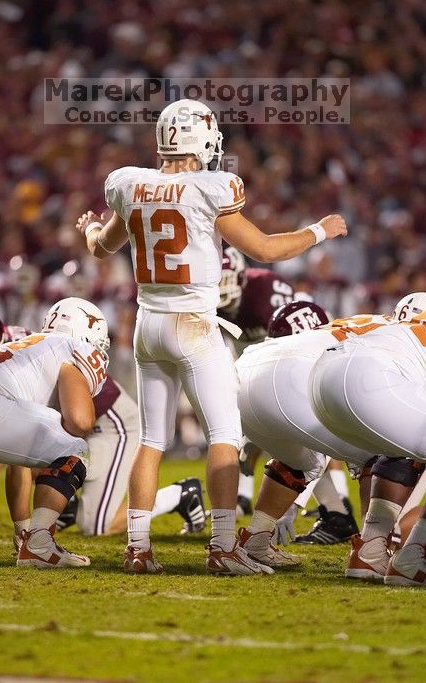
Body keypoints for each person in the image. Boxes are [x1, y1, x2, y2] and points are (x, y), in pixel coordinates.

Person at [76, 98, 347, 575]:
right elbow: (263, 247)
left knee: (152, 440)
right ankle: (224, 547)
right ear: (201, 139)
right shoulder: (209, 187)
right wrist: (318, 232)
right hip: (195, 325)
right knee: (225, 435)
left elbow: (101, 248)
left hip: (148, 324)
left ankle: (138, 548)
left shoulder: (129, 184)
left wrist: (92, 229)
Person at [0, 309, 205, 541]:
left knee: (97, 524)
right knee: (46, 450)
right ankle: (57, 517)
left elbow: (77, 424)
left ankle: (179, 495)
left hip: (113, 423)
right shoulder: (37, 347)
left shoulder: (60, 350)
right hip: (73, 419)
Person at [0, 296, 109, 568]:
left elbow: (17, 458)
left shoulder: (33, 346)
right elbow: (79, 421)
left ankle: (31, 538)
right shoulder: (74, 347)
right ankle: (39, 543)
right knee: (74, 448)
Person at [310, 292, 426, 584]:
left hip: (321, 382)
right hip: (372, 378)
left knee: (401, 442)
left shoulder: (391, 328)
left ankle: (371, 549)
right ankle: (415, 556)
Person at [218, 246, 295, 515]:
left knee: (300, 438)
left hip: (292, 355)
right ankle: (242, 498)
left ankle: (336, 506)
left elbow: (293, 336)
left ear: (240, 277)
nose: (220, 289)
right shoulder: (210, 303)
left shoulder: (264, 288)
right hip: (253, 366)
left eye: (225, 280)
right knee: (243, 434)